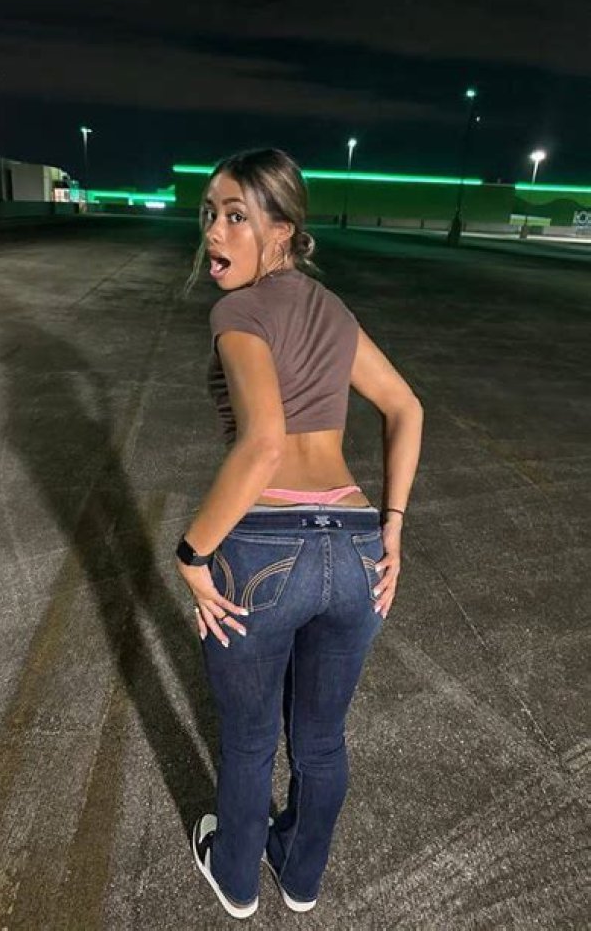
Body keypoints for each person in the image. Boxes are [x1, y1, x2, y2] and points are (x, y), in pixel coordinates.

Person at [174, 148, 423, 919]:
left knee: (252, 739)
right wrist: (393, 528)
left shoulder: (237, 314)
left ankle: (238, 877)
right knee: (320, 739)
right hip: (354, 549)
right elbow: (407, 407)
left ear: (281, 230)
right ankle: (301, 874)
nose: (214, 231)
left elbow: (262, 444)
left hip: (265, 548)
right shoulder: (333, 311)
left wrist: (192, 554)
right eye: (210, 213)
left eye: (236, 216)